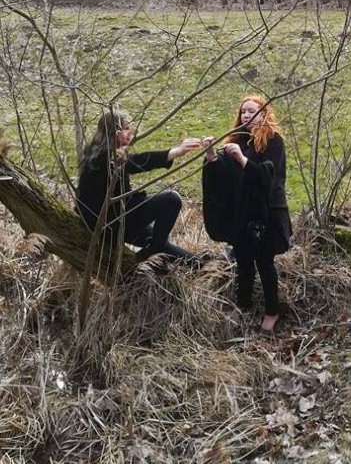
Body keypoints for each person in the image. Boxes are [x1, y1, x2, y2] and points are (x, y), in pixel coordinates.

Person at [202, 95, 292, 334]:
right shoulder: (239, 141)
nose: (246, 115)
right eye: (243, 112)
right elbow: (224, 177)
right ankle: (243, 303)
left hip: (267, 214)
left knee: (264, 262)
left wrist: (242, 160)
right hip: (243, 213)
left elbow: (269, 177)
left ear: (264, 115)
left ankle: (272, 311)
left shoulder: (274, 141)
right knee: (243, 260)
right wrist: (211, 155)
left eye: (251, 111)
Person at [76, 109, 202, 270]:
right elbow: (138, 162)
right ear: (114, 132)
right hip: (111, 224)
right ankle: (152, 253)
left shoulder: (97, 152)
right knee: (171, 199)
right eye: (126, 129)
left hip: (114, 220)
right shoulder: (106, 156)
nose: (131, 133)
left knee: (158, 242)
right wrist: (176, 152)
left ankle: (202, 266)